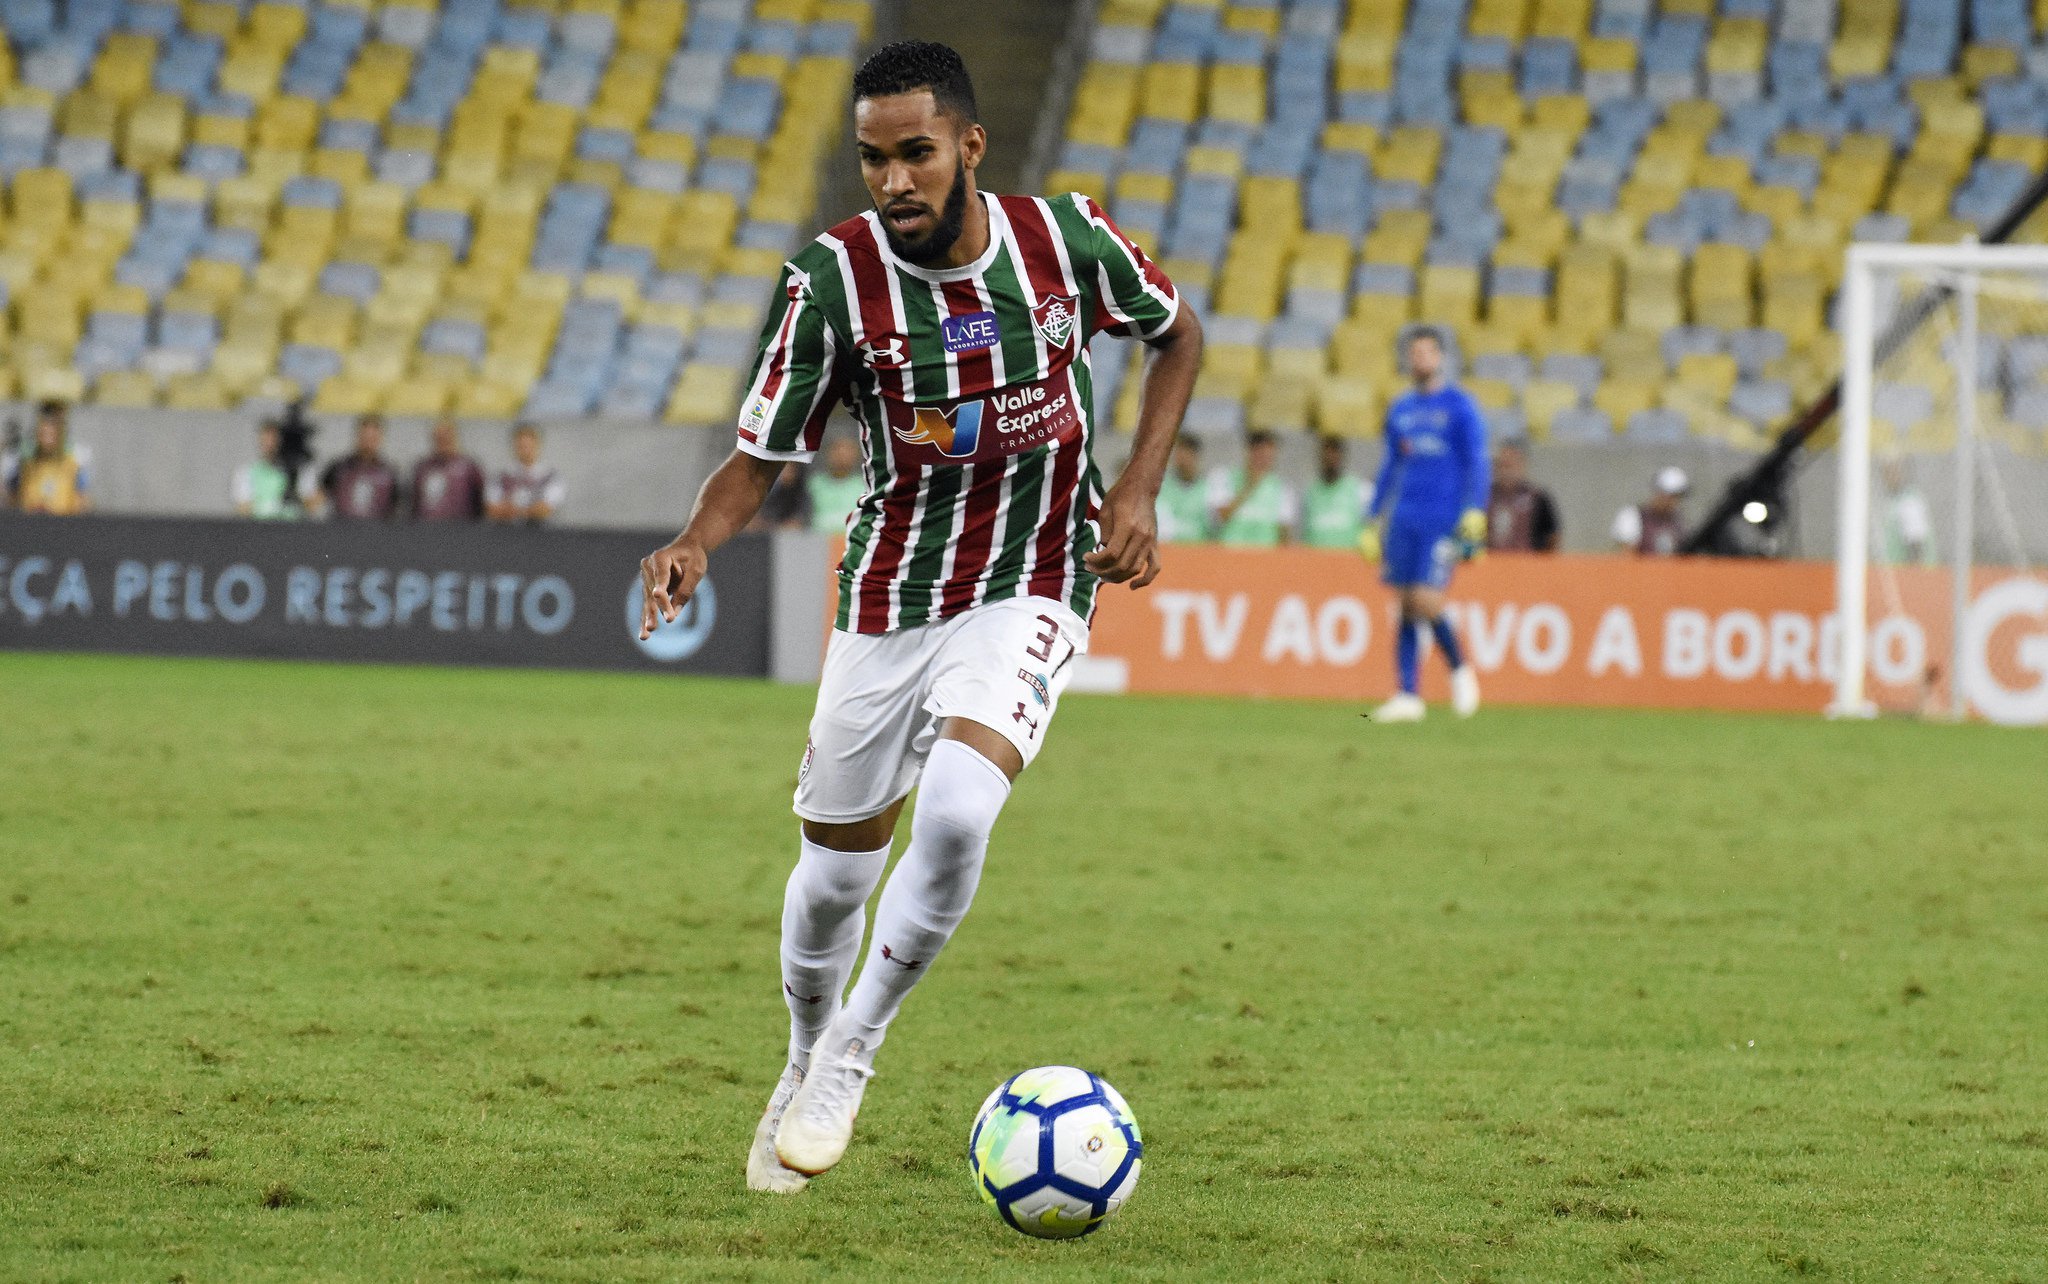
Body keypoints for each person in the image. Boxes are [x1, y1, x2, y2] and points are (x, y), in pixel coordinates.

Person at [634, 40, 1200, 1195]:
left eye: (914, 154)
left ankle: (853, 1048)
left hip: (1036, 576)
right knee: (835, 875)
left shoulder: (1065, 241)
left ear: (968, 148)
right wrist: (696, 539)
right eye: (871, 160)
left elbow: (1175, 333)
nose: (891, 180)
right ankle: (799, 1055)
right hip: (891, 598)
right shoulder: (830, 284)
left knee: (951, 817)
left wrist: (1136, 486)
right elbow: (759, 459)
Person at [1361, 325, 1489, 721]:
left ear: (1441, 357)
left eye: (1427, 353)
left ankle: (1460, 670)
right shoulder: (1400, 409)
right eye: (1414, 354)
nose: (1421, 360)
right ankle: (1407, 695)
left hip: (1443, 517)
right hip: (1405, 517)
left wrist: (1475, 509)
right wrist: (1371, 518)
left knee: (1427, 600)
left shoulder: (1460, 407)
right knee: (1404, 604)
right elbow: (1390, 466)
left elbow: (1476, 461)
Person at [1210, 430, 1296, 546]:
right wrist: (1250, 486)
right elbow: (1220, 517)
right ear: (1249, 452)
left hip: (1265, 558)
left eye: (1269, 456)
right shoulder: (1225, 477)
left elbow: (1284, 532)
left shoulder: (1282, 487)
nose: (1264, 460)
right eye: (1260, 454)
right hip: (1231, 555)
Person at [13, 401, 93, 515]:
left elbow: (82, 501)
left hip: (63, 526)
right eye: (42, 434)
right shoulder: (27, 466)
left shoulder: (73, 465)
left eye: (50, 435)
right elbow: (15, 499)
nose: (46, 440)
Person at [319, 415, 402, 520]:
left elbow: (396, 509)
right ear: (357, 437)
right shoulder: (339, 468)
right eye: (365, 437)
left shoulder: (389, 473)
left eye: (373, 438)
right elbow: (318, 499)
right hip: (342, 529)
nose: (368, 443)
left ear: (380, 438)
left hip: (376, 531)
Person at [1485, 438, 1561, 553]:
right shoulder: (1485, 495)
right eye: (1502, 464)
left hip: (1526, 564)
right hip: (1491, 563)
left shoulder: (1537, 497)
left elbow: (1552, 535)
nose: (1506, 471)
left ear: (1522, 464)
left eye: (1510, 465)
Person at [1300, 434, 1372, 550]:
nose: (1330, 458)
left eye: (1335, 452)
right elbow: (1306, 534)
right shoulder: (1310, 492)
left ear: (1342, 456)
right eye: (1326, 452)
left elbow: (1370, 532)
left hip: (1347, 563)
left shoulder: (1359, 490)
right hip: (1316, 563)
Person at [233, 419, 315, 519]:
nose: (270, 445)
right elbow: (243, 509)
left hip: (292, 529)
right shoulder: (246, 472)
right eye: (265, 440)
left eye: (274, 440)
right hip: (260, 530)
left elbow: (311, 506)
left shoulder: (300, 471)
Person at [487, 423, 566, 525]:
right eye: (521, 446)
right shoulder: (501, 476)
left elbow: (546, 509)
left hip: (542, 535)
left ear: (538, 446)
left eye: (529, 445)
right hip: (508, 535)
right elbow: (492, 510)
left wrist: (513, 510)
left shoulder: (552, 476)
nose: (525, 450)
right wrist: (529, 510)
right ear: (514, 447)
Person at [411, 416, 486, 521]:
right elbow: (414, 504)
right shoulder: (422, 468)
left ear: (455, 437)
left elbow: (480, 503)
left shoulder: (469, 467)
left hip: (461, 530)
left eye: (447, 436)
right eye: (439, 438)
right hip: (427, 529)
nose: (443, 441)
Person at [1612, 466, 1689, 556]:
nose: (1673, 502)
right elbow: (1627, 555)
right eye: (1670, 497)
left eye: (1677, 497)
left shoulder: (1678, 522)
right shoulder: (1633, 516)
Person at [1877, 456, 1935, 566]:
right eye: (1886, 471)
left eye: (1894, 470)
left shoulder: (1909, 500)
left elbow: (1916, 542)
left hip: (1911, 575)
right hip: (1897, 572)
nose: (1890, 476)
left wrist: (1913, 573)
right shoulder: (1892, 501)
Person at [1155, 435, 1211, 542]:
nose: (1181, 459)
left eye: (1185, 454)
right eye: (1178, 453)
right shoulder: (1161, 487)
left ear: (1195, 455)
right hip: (1169, 550)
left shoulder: (1208, 488)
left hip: (1199, 551)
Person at [806, 436, 866, 534]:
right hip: (816, 540)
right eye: (836, 450)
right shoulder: (813, 484)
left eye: (847, 451)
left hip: (854, 540)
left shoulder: (865, 485)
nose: (841, 456)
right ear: (827, 454)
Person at [751, 462, 814, 531]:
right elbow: (764, 515)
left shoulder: (803, 495)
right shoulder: (773, 491)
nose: (785, 473)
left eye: (789, 469)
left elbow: (801, 520)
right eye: (782, 469)